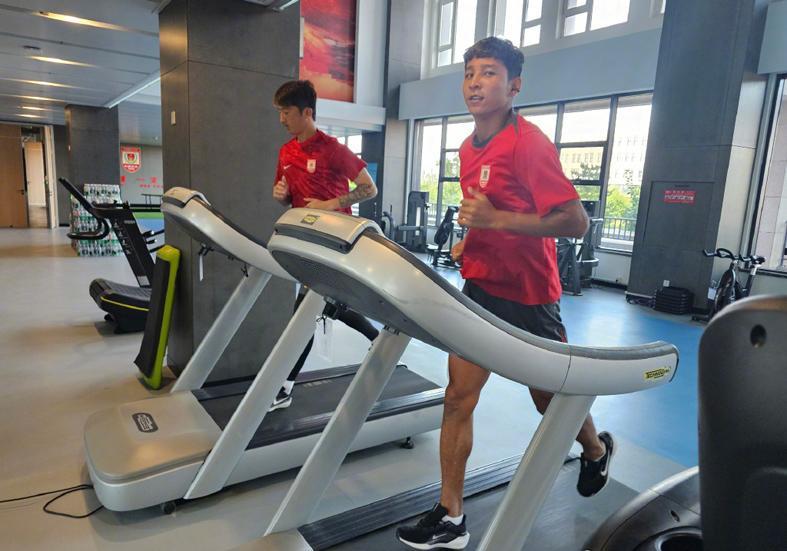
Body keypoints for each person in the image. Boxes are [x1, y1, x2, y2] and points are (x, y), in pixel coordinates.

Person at [396, 37, 614, 550]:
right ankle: (451, 517)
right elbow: (485, 209)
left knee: (547, 401)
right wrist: (473, 237)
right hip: (480, 288)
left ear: (514, 86)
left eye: (489, 72)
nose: (475, 82)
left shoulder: (529, 143)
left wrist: (497, 220)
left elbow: (575, 222)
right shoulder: (467, 147)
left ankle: (595, 450)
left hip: (530, 295)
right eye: (469, 72)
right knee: (458, 398)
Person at [269, 79, 380, 411]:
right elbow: (286, 196)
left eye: (286, 112)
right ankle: (377, 338)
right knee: (325, 305)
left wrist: (331, 204)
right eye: (279, 112)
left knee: (304, 311)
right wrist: (281, 196)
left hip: (333, 242)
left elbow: (369, 188)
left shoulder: (333, 149)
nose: (281, 119)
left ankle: (285, 386)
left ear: (307, 112)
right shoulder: (286, 152)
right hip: (304, 241)